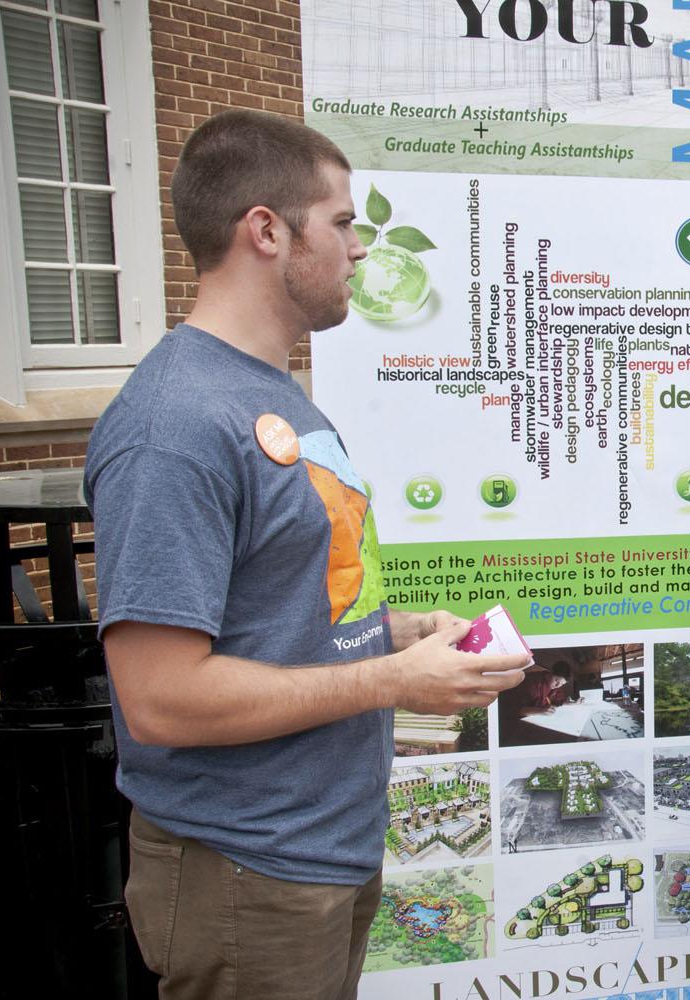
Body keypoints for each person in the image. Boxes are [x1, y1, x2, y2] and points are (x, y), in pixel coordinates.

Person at [84, 109, 529, 1000]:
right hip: (245, 868)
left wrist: (395, 633)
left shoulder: (272, 393)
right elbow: (161, 698)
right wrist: (392, 684)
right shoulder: (174, 426)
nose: (360, 248)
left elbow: (279, 606)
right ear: (265, 230)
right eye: (342, 221)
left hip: (315, 851)